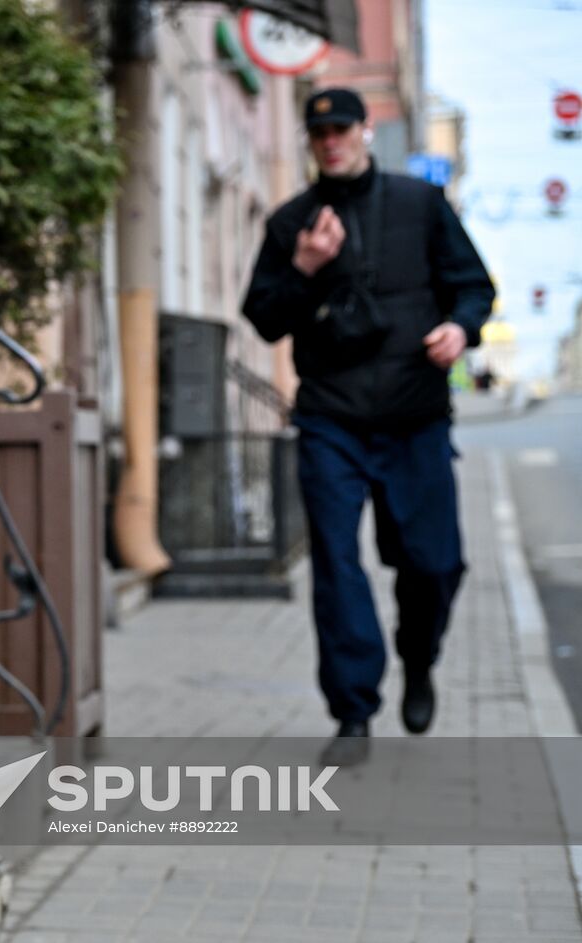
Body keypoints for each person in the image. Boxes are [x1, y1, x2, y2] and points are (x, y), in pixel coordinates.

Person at [241, 88, 495, 767]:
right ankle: (353, 710)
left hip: (415, 416)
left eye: (342, 128)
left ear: (365, 129)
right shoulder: (294, 222)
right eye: (318, 130)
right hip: (332, 418)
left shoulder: (419, 204)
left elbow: (475, 286)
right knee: (336, 561)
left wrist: (460, 328)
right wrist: (304, 268)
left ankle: (418, 659)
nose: (331, 140)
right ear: (309, 139)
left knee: (434, 563)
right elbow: (264, 315)